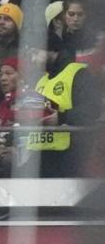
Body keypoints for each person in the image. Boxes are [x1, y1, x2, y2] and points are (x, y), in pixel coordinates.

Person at [25, 31, 102, 177]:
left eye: (35, 53)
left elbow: (92, 109)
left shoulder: (78, 73)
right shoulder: (42, 81)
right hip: (38, 157)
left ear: (51, 50)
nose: (33, 60)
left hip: (69, 158)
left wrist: (60, 118)